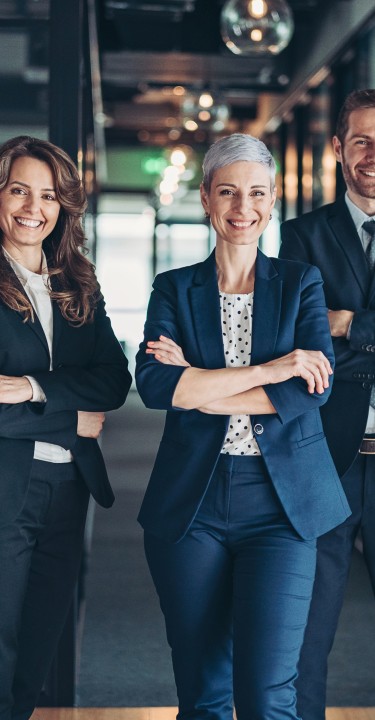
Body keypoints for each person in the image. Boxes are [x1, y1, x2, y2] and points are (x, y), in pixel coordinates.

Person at [135, 133, 351, 720]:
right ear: (206, 198)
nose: (242, 208)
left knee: (268, 694)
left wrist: (199, 386)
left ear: (273, 199)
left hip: (283, 507)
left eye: (256, 193)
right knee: (203, 695)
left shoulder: (301, 282)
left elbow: (312, 391)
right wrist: (270, 369)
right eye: (227, 192)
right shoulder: (174, 288)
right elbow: (157, 389)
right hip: (192, 507)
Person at [0, 135, 131, 720]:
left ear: (64, 206)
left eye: (48, 195)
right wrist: (71, 416)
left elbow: (112, 380)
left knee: (38, 643)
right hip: (6, 488)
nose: (34, 207)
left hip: (67, 490)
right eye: (19, 190)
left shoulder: (75, 279)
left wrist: (32, 389)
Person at [279, 88, 375, 720]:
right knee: (306, 636)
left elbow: (332, 333)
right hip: (327, 458)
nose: (373, 154)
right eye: (362, 139)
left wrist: (350, 327)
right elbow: (294, 340)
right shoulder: (302, 236)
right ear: (338, 148)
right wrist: (325, 330)